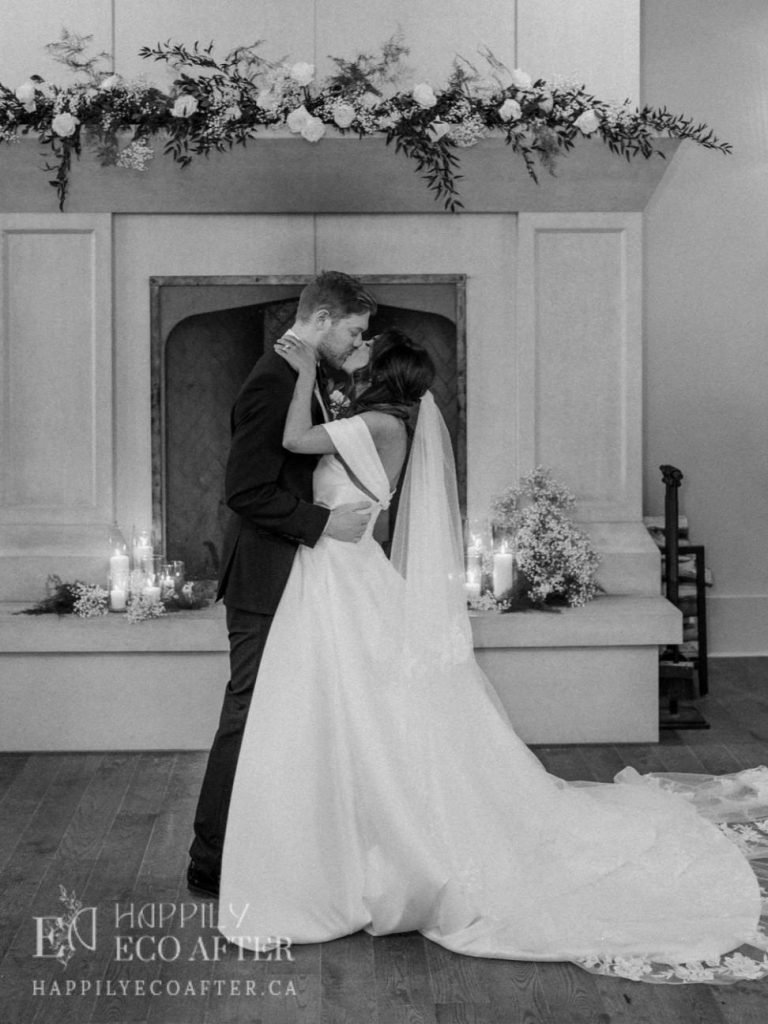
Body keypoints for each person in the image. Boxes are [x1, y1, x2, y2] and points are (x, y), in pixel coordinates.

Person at [217, 331, 768, 984]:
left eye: (367, 348)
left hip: (340, 568)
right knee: (362, 701)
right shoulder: (392, 423)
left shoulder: (373, 423)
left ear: (383, 373)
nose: (357, 350)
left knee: (354, 699)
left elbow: (291, 443)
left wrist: (305, 373)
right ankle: (349, 827)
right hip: (340, 565)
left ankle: (365, 840)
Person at [187, 270, 377, 899]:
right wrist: (325, 524)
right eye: (353, 331)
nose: (356, 343)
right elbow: (244, 490)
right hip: (265, 576)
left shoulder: (300, 375)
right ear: (321, 318)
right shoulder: (273, 380)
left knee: (278, 715)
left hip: (293, 575)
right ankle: (209, 861)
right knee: (246, 712)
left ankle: (275, 845)